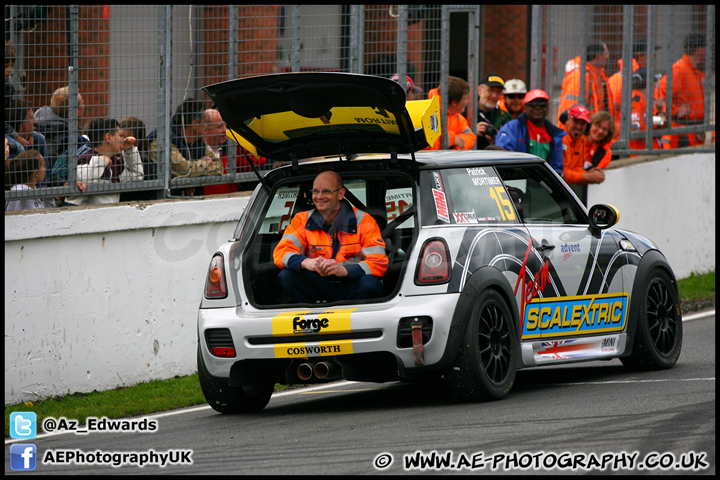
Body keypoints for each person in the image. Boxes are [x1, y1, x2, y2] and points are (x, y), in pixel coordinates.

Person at [273, 171, 388, 304]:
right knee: (287, 276)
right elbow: (281, 252)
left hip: (353, 285)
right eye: (316, 191)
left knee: (369, 285)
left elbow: (379, 263)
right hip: (319, 284)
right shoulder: (301, 220)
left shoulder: (364, 220)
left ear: (341, 194)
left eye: (326, 191)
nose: (319, 196)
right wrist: (306, 262)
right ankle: (310, 316)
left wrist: (345, 270)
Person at [147, 99, 223, 196]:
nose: (207, 126)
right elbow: (184, 170)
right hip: (159, 199)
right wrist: (203, 164)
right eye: (205, 122)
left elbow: (219, 167)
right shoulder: (161, 140)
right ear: (195, 124)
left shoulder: (197, 139)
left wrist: (192, 180)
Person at [64, 118, 144, 206]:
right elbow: (77, 176)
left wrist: (129, 151)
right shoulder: (87, 158)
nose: (122, 139)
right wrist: (101, 162)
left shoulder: (115, 162)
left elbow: (136, 176)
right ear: (108, 137)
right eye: (120, 135)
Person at [495, 89, 566, 177]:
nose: (537, 107)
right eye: (532, 104)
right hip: (517, 181)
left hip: (544, 185)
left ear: (548, 107)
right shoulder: (511, 128)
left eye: (542, 104)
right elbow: (502, 160)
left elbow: (557, 168)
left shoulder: (556, 134)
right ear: (525, 107)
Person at [657, 33, 707, 149]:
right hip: (682, 134)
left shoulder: (693, 70)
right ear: (700, 50)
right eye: (706, 48)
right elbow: (658, 94)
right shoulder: (679, 69)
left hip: (693, 133)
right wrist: (675, 111)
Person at [202, 108, 267, 195]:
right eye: (219, 127)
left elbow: (260, 160)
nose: (225, 130)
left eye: (225, 126)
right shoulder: (194, 152)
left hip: (229, 203)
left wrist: (236, 139)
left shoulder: (232, 152)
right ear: (205, 130)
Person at [607, 38, 661, 136]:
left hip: (647, 133)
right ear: (640, 55)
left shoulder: (649, 77)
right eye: (652, 53)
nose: (655, 56)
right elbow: (611, 112)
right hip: (626, 138)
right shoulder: (619, 79)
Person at [558, 43, 612, 123]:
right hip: (580, 128)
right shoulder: (580, 76)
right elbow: (571, 108)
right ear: (597, 57)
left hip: (591, 127)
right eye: (606, 53)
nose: (607, 57)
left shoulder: (597, 75)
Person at [34, 86, 85, 170]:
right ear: (76, 111)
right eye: (82, 103)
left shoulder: (41, 123)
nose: (84, 106)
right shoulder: (61, 136)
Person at [426, 76, 476, 150]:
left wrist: (454, 149)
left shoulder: (457, 116)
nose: (467, 102)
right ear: (454, 102)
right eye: (466, 98)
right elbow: (429, 144)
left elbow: (470, 137)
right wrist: (452, 139)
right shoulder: (430, 114)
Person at [561, 104, 606, 185]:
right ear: (566, 120)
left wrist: (588, 174)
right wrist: (588, 177)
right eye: (575, 121)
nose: (578, 127)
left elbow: (577, 168)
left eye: (582, 123)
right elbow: (562, 175)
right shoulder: (560, 137)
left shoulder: (581, 139)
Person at [5, 98, 49, 176]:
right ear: (19, 123)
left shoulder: (36, 139)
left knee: (39, 137)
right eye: (31, 118)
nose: (35, 121)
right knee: (19, 148)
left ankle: (44, 185)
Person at [118, 116, 157, 202]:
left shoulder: (144, 162)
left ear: (137, 142)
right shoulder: (117, 156)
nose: (122, 140)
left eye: (127, 138)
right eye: (120, 136)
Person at [475, 74, 513, 149]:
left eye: (498, 92)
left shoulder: (506, 118)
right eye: (490, 90)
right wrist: (471, 132)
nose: (494, 96)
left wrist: (498, 141)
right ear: (479, 90)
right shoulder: (464, 113)